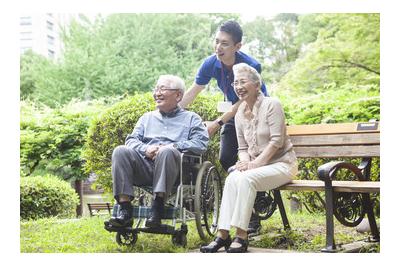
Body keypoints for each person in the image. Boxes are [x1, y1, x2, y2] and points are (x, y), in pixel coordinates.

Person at [180, 20, 268, 234]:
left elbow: (243, 103)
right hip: (235, 113)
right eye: (217, 41)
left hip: (257, 112)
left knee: (253, 159)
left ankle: (254, 212)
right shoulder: (211, 63)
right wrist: (174, 112)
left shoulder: (250, 66)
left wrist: (217, 123)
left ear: (237, 47)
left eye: (225, 44)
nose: (218, 47)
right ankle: (249, 202)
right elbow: (193, 91)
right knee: (226, 158)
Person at [200, 63, 298, 253]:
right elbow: (243, 147)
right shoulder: (239, 113)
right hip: (257, 167)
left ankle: (241, 235)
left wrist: (254, 164)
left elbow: (276, 141)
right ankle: (222, 235)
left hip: (282, 164)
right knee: (233, 177)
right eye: (236, 83)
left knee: (245, 178)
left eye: (242, 81)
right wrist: (244, 162)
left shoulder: (272, 104)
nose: (238, 87)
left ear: (256, 85)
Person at [108, 75, 209, 228]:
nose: (157, 93)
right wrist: (145, 148)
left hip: (175, 171)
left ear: (178, 95)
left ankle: (157, 209)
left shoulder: (191, 118)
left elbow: (201, 143)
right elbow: (131, 140)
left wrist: (173, 146)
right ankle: (125, 211)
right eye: (156, 89)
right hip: (146, 168)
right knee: (120, 151)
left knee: (167, 151)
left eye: (163, 89)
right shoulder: (146, 118)